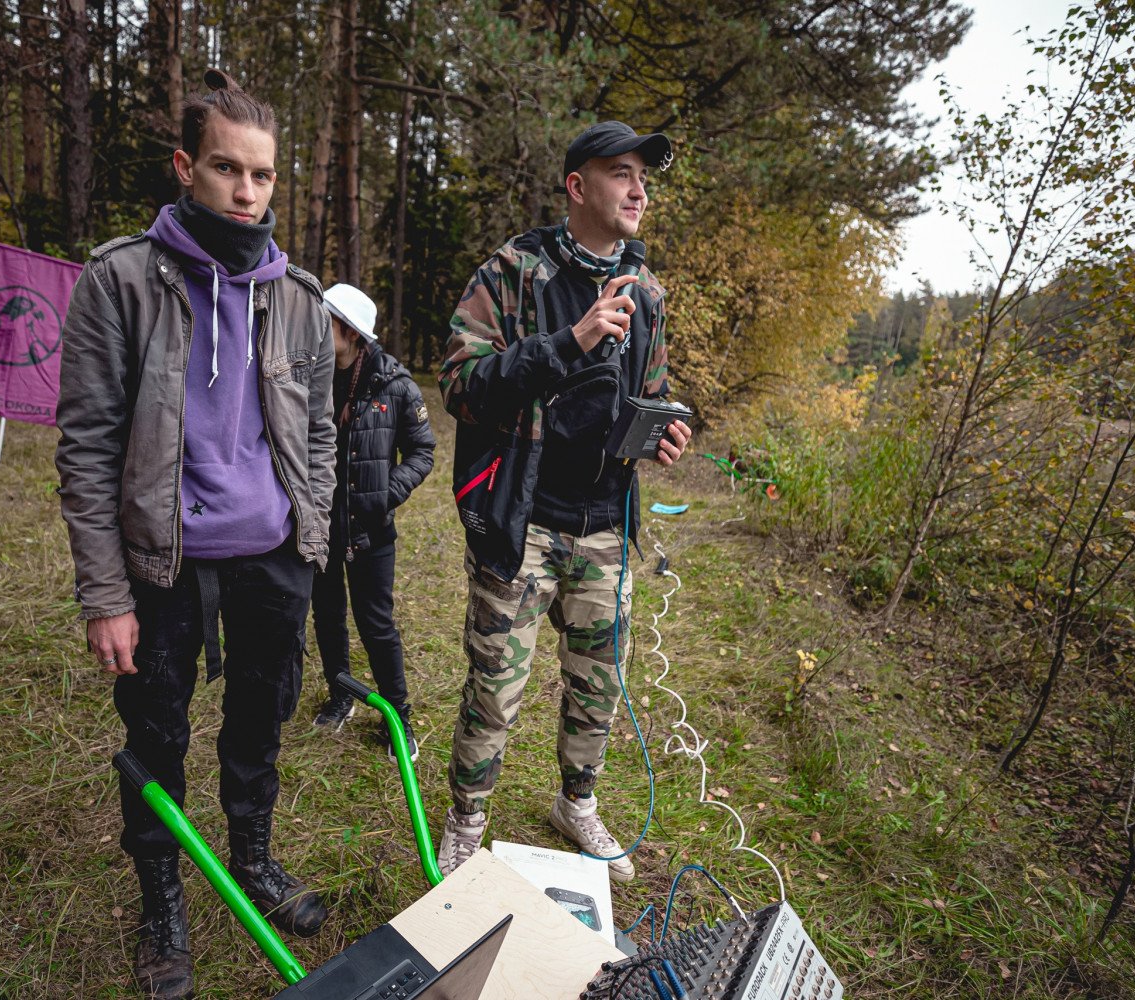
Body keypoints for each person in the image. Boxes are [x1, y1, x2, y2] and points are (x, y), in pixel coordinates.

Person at [55, 69, 335, 999]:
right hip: (161, 567)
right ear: (187, 166)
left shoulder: (298, 296)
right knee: (157, 738)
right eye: (226, 169)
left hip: (271, 563)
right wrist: (104, 595)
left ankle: (251, 859)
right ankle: (163, 900)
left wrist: (313, 536)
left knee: (258, 725)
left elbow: (320, 431)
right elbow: (87, 447)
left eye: (261, 176)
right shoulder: (121, 280)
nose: (246, 193)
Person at [434, 121, 692, 883]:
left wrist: (662, 432)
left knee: (597, 686)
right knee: (495, 689)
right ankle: (466, 823)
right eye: (621, 173)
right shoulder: (515, 272)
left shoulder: (646, 292)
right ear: (578, 187)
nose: (639, 190)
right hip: (526, 523)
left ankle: (575, 803)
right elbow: (459, 386)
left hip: (607, 527)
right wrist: (569, 343)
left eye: (644, 177)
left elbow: (651, 394)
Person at [309, 282, 435, 760]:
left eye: (328, 321)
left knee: (376, 623)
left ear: (351, 332)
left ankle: (397, 718)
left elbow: (423, 450)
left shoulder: (395, 385)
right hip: (320, 524)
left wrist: (387, 493)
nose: (319, 328)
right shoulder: (313, 375)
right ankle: (342, 694)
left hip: (371, 528)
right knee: (327, 614)